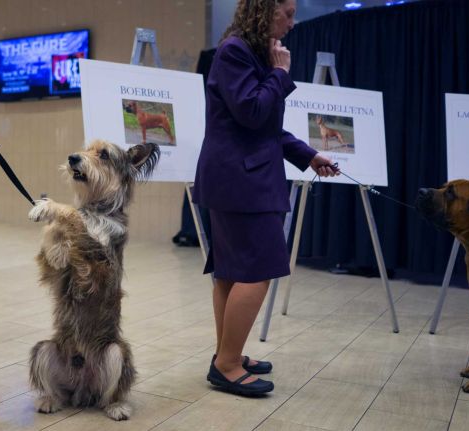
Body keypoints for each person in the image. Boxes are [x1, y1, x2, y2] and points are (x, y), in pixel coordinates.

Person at [193, 0, 338, 396]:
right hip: (241, 182)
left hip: (237, 178)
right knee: (256, 271)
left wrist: (309, 156)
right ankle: (226, 364)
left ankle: (229, 354)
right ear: (263, 10)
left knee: (231, 271)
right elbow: (253, 113)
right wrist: (279, 74)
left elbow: (265, 130)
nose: (293, 22)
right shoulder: (236, 51)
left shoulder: (248, 52)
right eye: (287, 13)